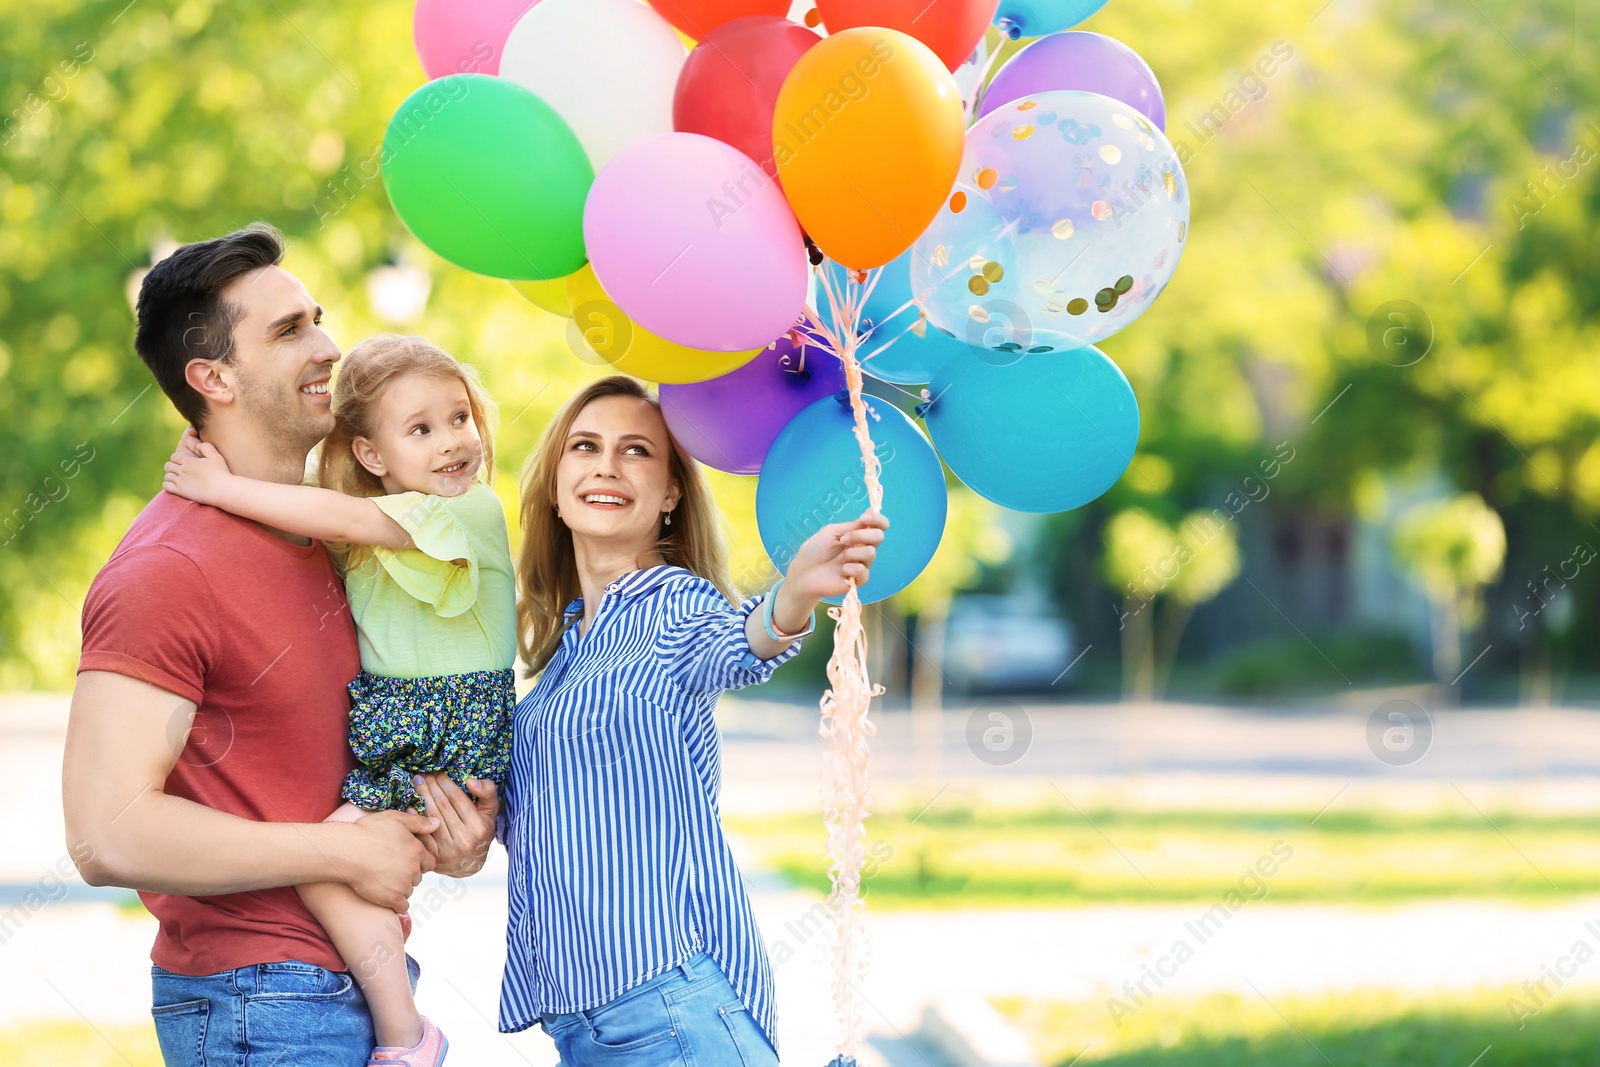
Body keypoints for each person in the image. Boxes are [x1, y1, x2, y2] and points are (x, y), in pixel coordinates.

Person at [62, 225, 499, 1067]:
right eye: (289, 330)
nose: (330, 346)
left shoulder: (345, 543)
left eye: (318, 319)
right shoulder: (167, 568)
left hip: (355, 990)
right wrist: (342, 849)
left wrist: (451, 832)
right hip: (257, 1006)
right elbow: (104, 832)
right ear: (212, 377)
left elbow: (322, 768)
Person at [498, 375, 888, 1065]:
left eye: (637, 451)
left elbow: (740, 644)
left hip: (668, 1009)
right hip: (582, 1027)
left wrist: (792, 594)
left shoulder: (674, 606)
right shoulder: (565, 658)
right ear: (556, 486)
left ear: (672, 492)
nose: (607, 465)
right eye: (585, 446)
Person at [162, 333, 514, 1065]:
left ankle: (406, 1033)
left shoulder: (468, 511)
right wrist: (227, 460)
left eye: (460, 418)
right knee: (341, 867)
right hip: (411, 726)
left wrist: (219, 486)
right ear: (372, 456)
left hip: (445, 725)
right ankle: (404, 1029)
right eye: (422, 429)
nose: (453, 441)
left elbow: (345, 519)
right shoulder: (388, 527)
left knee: (327, 862)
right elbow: (309, 525)